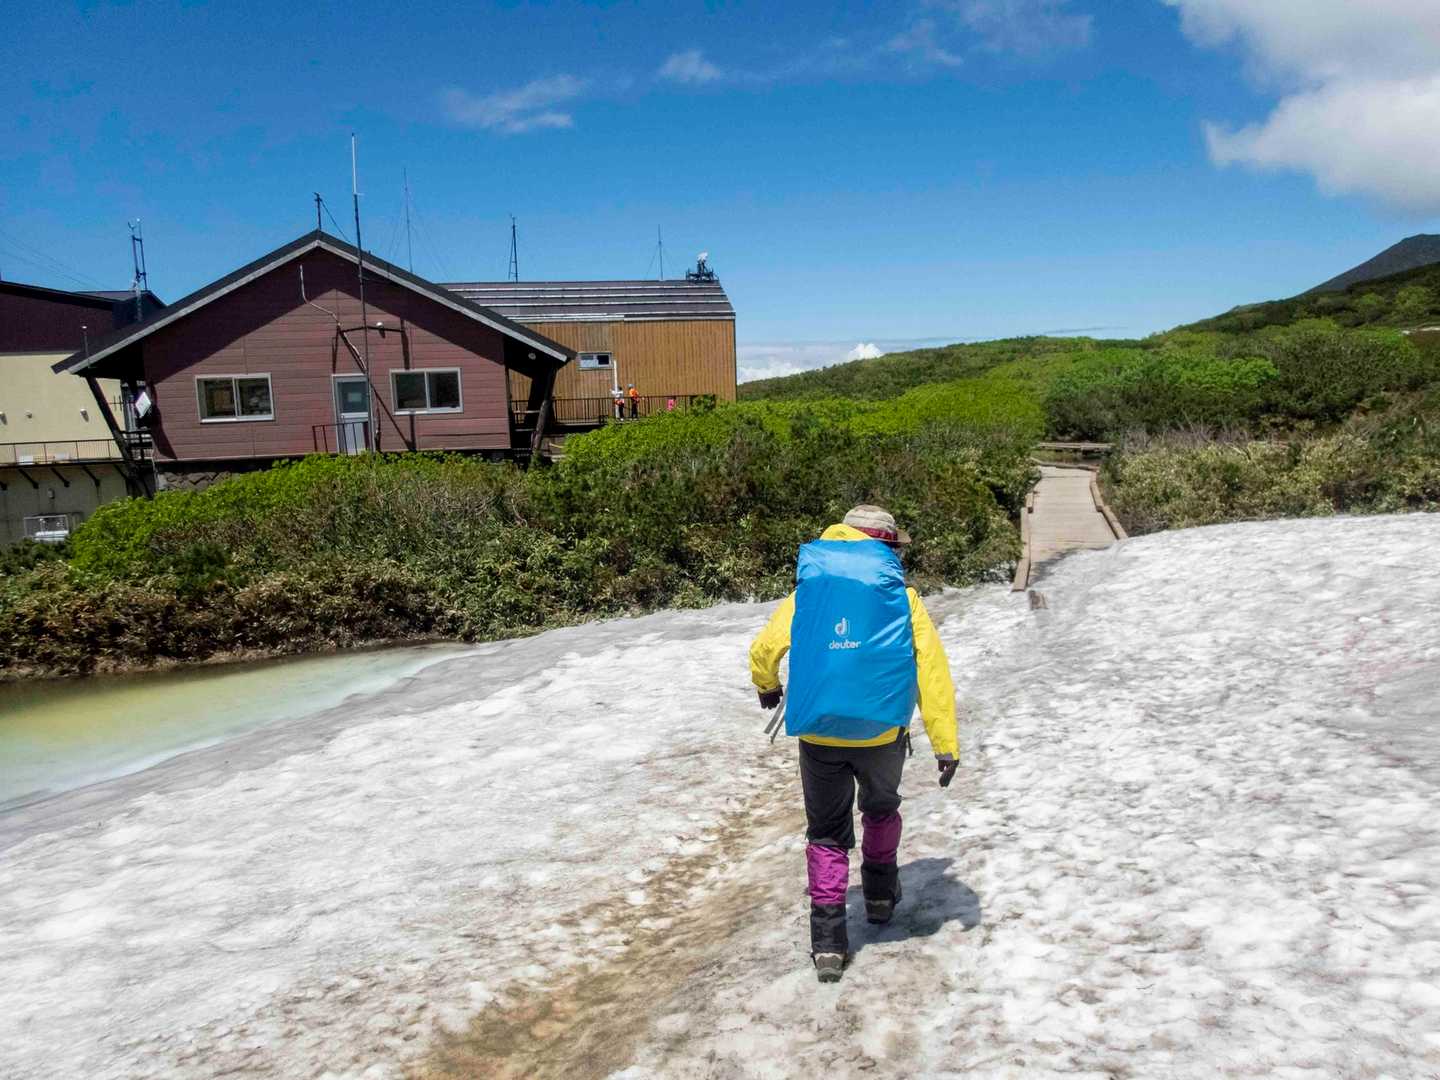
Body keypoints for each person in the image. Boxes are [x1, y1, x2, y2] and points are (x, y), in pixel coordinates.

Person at [749, 505, 958, 984]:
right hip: (882, 733)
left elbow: (764, 648)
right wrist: (945, 744)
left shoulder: (808, 592)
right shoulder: (904, 598)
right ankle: (880, 898)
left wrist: (767, 684)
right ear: (885, 549)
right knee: (881, 810)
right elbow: (932, 672)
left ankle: (828, 944)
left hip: (819, 734)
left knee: (826, 832)